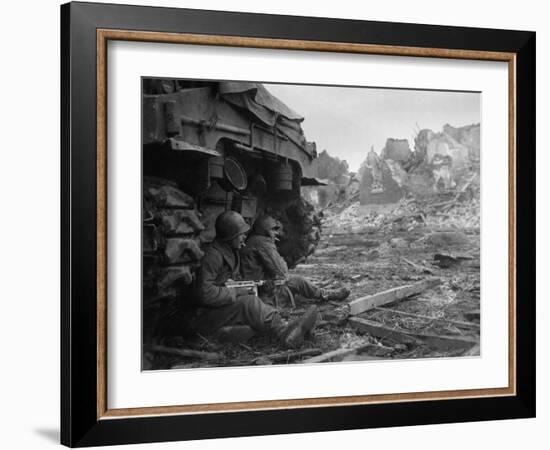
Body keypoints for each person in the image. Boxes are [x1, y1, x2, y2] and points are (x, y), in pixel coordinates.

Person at [191, 210, 317, 348]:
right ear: (230, 236)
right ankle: (284, 332)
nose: (244, 237)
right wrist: (237, 292)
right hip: (206, 314)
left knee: (259, 300)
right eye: (240, 235)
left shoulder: (231, 252)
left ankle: (287, 327)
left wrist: (261, 286)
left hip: (221, 307)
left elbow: (230, 281)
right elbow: (204, 293)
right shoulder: (213, 256)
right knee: (249, 303)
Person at [240, 214, 350, 307]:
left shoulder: (254, 241)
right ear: (264, 230)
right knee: (298, 282)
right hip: (262, 297)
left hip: (258, 292)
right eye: (273, 230)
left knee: (297, 285)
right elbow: (282, 272)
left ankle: (322, 293)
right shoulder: (263, 243)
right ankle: (326, 295)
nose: (276, 233)